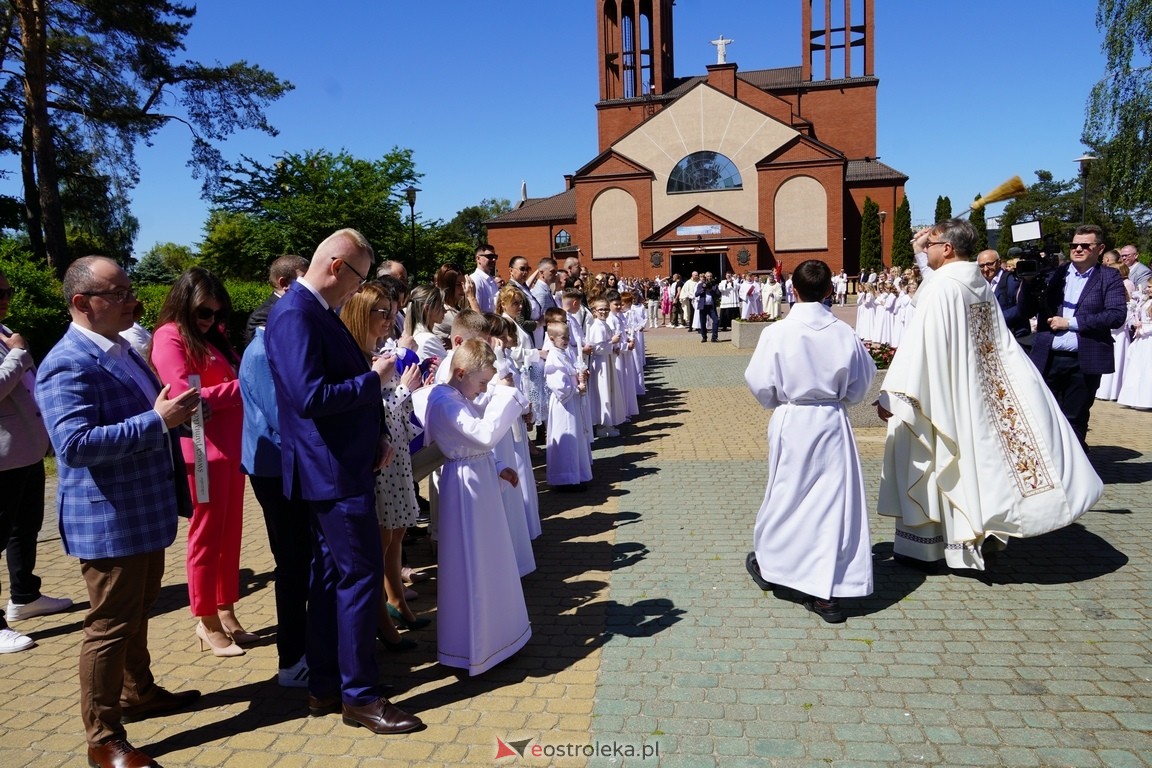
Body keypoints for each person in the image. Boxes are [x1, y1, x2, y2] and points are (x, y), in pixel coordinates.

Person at [36, 256, 201, 768]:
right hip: (107, 518)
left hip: (140, 511)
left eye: (130, 289)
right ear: (83, 303)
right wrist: (157, 420)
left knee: (136, 611)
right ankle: (103, 736)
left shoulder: (124, 347)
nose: (134, 299)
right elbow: (74, 444)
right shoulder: (66, 361)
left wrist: (169, 409)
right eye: (120, 291)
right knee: (108, 626)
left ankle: (139, 691)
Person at [876, 220, 1103, 572]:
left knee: (936, 459)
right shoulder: (973, 281)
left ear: (948, 249)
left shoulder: (943, 288)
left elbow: (922, 346)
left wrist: (894, 395)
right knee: (973, 463)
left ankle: (933, 549)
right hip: (975, 388)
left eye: (932, 243)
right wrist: (924, 247)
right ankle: (976, 535)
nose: (926, 246)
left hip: (943, 391)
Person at [265, 228, 422, 734]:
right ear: (336, 266)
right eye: (358, 278)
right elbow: (309, 397)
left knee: (334, 577)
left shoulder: (317, 312)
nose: (359, 291)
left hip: (344, 463)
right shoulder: (296, 313)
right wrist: (371, 379)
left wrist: (374, 431)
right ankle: (360, 696)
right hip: (329, 471)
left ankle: (328, 686)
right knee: (356, 577)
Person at [744, 260, 875, 623]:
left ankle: (776, 565)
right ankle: (826, 590)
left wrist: (779, 401)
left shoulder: (777, 332)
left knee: (787, 494)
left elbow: (759, 382)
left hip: (793, 417)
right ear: (831, 291)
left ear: (793, 290)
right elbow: (862, 383)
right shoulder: (843, 332)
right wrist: (837, 400)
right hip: (832, 420)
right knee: (833, 502)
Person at [150, 267, 251, 658]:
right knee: (207, 537)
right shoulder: (169, 335)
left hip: (230, 451)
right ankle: (205, 618)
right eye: (203, 313)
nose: (211, 320)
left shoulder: (214, 339)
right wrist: (246, 386)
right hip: (201, 454)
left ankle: (225, 610)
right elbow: (184, 394)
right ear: (184, 305)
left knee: (230, 535)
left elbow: (212, 389)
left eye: (216, 313)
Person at [423, 339, 532, 674]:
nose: (484, 389)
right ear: (460, 372)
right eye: (482, 382)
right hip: (465, 489)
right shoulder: (443, 400)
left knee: (491, 559)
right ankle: (475, 647)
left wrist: (498, 466)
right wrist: (506, 395)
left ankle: (499, 638)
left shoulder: (458, 396)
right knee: (473, 564)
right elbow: (482, 436)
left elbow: (476, 444)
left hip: (477, 480)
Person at [339, 284, 431, 651]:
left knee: (395, 535)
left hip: (394, 456)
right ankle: (383, 619)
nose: (388, 319)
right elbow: (370, 412)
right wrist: (405, 388)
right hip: (377, 463)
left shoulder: (378, 352)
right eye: (380, 312)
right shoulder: (357, 358)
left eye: (391, 311)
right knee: (379, 541)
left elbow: (390, 413)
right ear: (361, 313)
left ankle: (398, 602)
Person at [0, 270, 72, 654]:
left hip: (24, 452)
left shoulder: (3, 329)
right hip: (2, 458)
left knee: (24, 528)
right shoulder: (11, 340)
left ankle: (24, 596)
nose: (5, 298)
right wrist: (17, 353)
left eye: (7, 291)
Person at [238, 325, 312, 687]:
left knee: (299, 561)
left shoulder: (270, 348)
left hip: (284, 466)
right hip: (276, 469)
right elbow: (282, 417)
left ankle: (303, 650)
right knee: (293, 564)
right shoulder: (262, 353)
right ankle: (293, 660)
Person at [1028, 224, 1128, 449]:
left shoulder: (1108, 277)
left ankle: (1076, 475)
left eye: (1085, 245)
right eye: (1074, 245)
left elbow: (1116, 315)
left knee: (1075, 418)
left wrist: (1071, 323)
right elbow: (1026, 308)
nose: (1078, 249)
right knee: (1042, 416)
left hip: (1084, 360)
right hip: (1048, 357)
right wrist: (1028, 283)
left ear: (1100, 248)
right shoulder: (1055, 274)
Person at [245, 255, 309, 343]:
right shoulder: (262, 317)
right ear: (284, 283)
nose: (310, 285)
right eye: (304, 280)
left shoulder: (307, 306)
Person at [976, 249, 1029, 338]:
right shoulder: (979, 284)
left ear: (999, 263)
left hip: (1015, 336)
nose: (985, 269)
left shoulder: (1012, 280)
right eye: (981, 266)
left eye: (989, 264)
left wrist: (996, 318)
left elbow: (1022, 307)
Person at [470, 245, 500, 313]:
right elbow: (476, 311)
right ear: (478, 259)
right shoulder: (475, 280)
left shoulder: (491, 280)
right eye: (490, 257)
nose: (494, 260)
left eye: (495, 257)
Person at [695, 272, 720, 342]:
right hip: (703, 306)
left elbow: (718, 294)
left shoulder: (714, 285)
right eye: (708, 276)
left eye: (710, 276)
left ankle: (714, 337)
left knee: (716, 320)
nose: (709, 277)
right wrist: (703, 288)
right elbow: (696, 294)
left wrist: (711, 289)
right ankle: (704, 337)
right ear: (705, 277)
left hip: (711, 306)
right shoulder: (700, 285)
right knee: (703, 322)